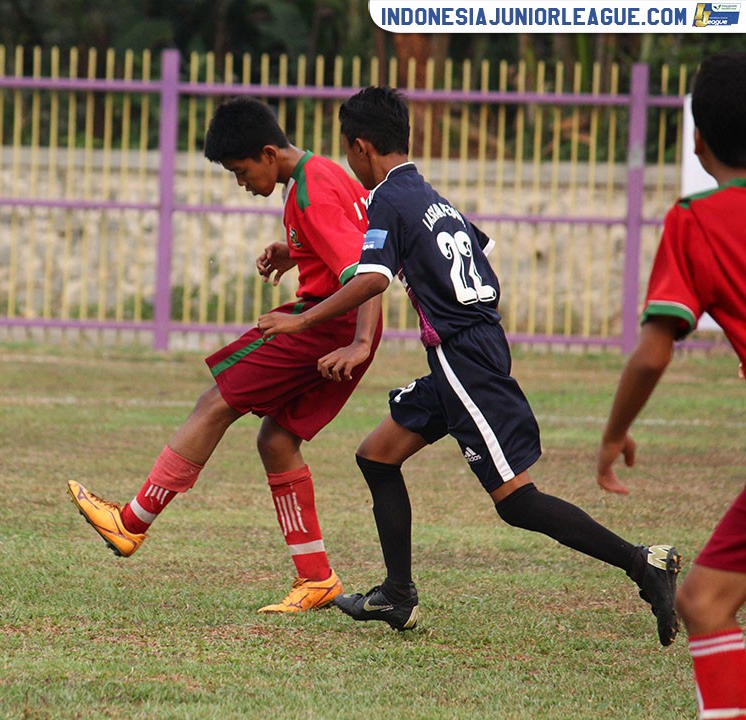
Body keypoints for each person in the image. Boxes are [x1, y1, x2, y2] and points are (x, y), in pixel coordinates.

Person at [257, 85, 682, 645]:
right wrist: (299, 252)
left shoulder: (388, 198)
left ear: (361, 147)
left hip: (464, 357)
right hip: (465, 348)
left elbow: (372, 278)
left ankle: (642, 562)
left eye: (346, 151)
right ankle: (397, 596)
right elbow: (474, 249)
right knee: (377, 456)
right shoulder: (429, 196)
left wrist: (303, 322)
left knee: (517, 501)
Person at [68, 96, 382, 612]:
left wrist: (353, 339)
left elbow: (368, 272)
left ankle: (130, 523)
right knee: (277, 441)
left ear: (268, 153)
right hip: (340, 322)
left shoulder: (311, 193)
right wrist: (296, 251)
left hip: (331, 323)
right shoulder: (319, 173)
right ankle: (316, 578)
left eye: (241, 171)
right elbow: (360, 237)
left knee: (216, 402)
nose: (241, 183)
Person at [597, 51, 746, 717]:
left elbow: (653, 355)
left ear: (697, 139)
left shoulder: (698, 219)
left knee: (705, 602)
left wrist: (614, 434)